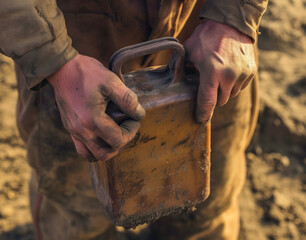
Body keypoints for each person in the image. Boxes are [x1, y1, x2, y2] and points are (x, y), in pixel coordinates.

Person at [0, 0, 268, 239]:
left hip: (207, 36)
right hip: (73, 38)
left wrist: (235, 16)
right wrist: (52, 57)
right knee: (76, 215)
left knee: (205, 207)